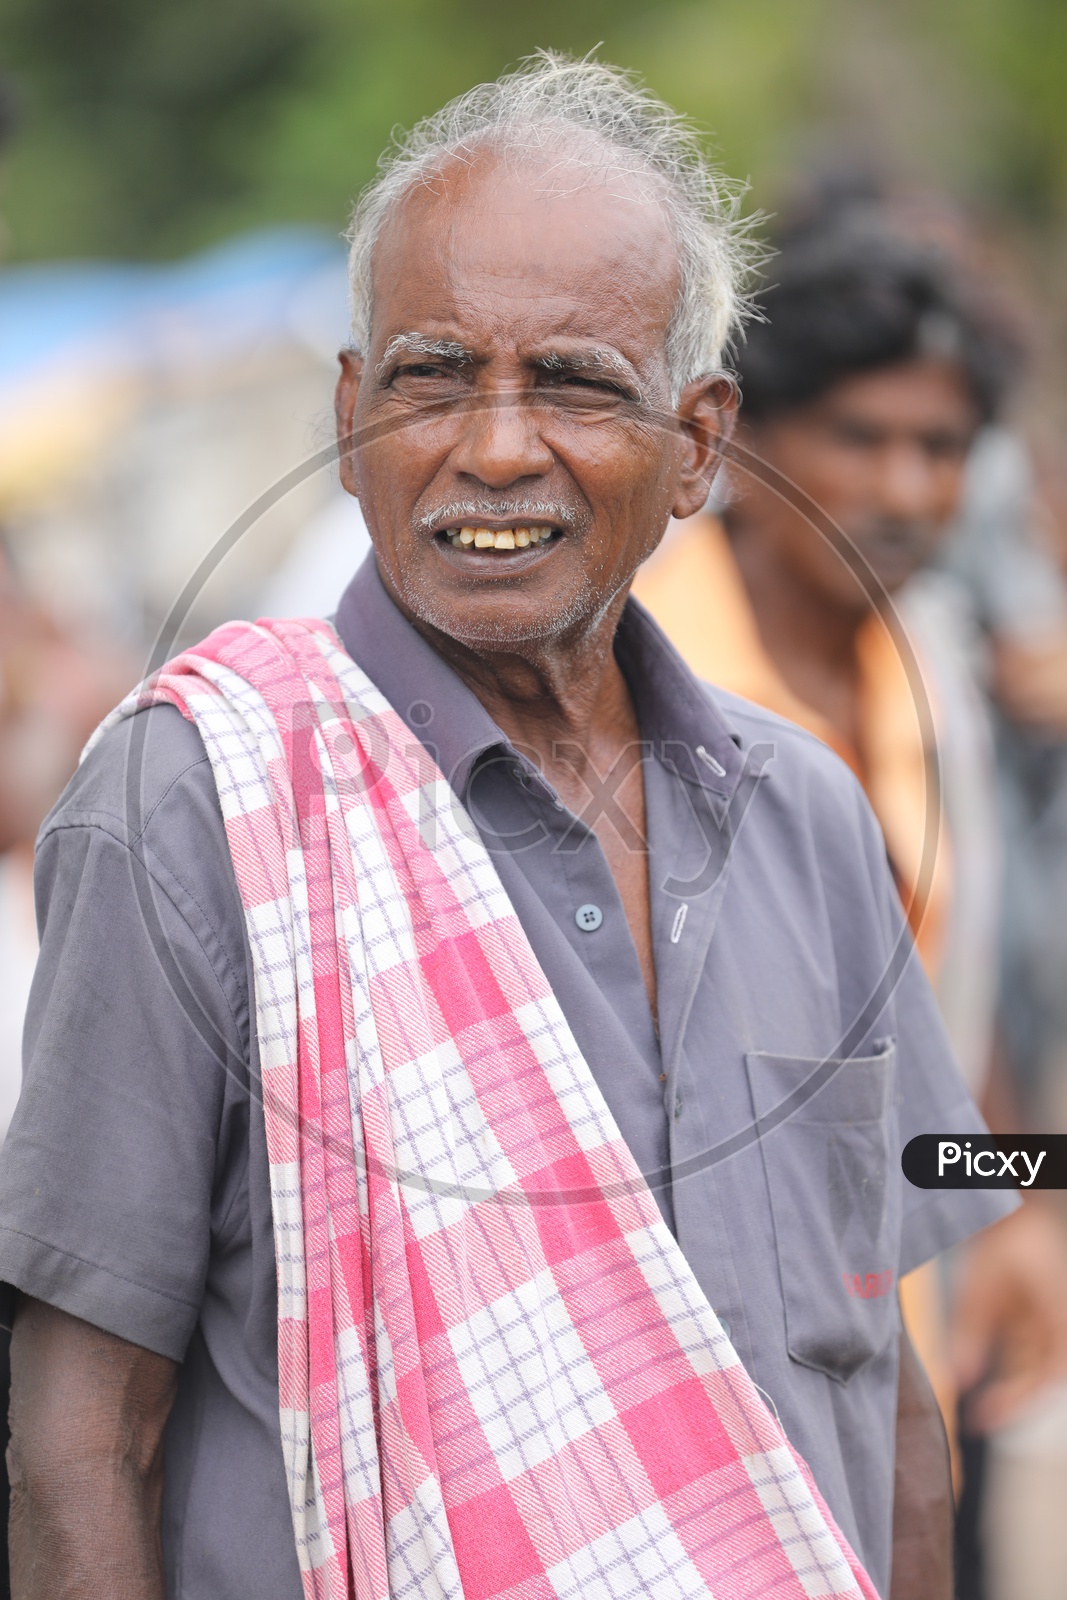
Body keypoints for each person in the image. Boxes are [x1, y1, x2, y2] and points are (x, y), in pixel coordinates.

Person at [1, 57, 1012, 1600]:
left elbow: (888, 1386)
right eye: (429, 374)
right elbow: (81, 1439)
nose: (491, 449)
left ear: (696, 444)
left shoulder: (807, 813)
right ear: (349, 419)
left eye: (577, 384)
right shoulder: (199, 804)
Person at [632, 209, 1067, 1544]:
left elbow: (954, 987)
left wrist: (1020, 1213)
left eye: (940, 448)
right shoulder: (634, 668)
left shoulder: (931, 663)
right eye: (860, 438)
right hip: (686, 1340)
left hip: (904, 1319)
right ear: (740, 444)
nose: (904, 489)